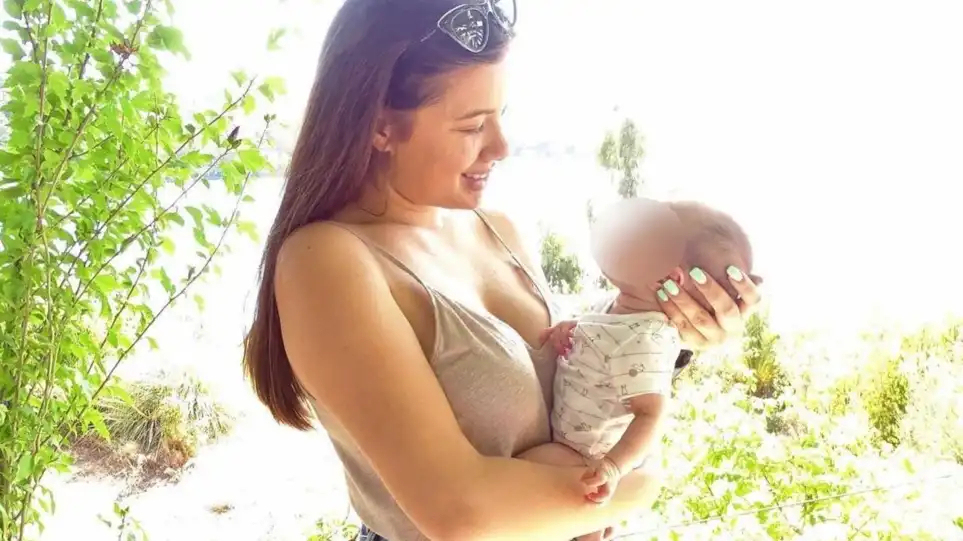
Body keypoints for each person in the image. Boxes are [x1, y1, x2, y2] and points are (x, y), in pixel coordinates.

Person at [241, 1, 763, 540]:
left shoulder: (499, 228)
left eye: (500, 116)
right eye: (472, 126)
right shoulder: (327, 262)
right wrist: (643, 484)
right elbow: (459, 514)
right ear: (381, 126)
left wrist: (674, 331)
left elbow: (584, 393)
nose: (502, 147)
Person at [538, 198, 759, 541]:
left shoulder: (648, 338)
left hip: (585, 456)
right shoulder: (618, 307)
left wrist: (613, 468)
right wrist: (568, 330)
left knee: (541, 477)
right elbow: (594, 333)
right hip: (575, 443)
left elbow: (651, 413)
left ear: (668, 277)